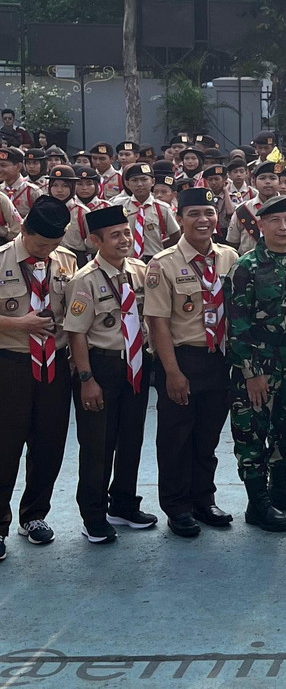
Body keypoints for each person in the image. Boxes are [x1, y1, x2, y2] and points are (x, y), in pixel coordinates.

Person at [144, 188, 240, 537]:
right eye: (194, 214)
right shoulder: (163, 263)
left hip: (218, 360)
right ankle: (177, 506)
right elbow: (158, 322)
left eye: (209, 213)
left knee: (207, 437)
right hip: (181, 358)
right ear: (180, 218)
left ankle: (204, 499)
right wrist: (172, 372)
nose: (203, 220)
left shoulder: (230, 257)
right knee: (175, 437)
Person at [227, 194, 286, 533]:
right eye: (275, 221)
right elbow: (236, 325)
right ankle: (258, 502)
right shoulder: (246, 267)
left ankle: (281, 488)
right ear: (261, 226)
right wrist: (252, 373)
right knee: (252, 433)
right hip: (258, 364)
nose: (284, 227)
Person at [64, 204, 157, 544]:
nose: (124, 240)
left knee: (132, 437)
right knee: (97, 444)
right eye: (115, 235)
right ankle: (94, 514)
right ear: (94, 240)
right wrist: (87, 380)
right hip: (101, 365)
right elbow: (76, 332)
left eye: (127, 233)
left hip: (136, 364)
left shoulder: (139, 269)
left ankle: (123, 504)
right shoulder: (84, 280)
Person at [0, 196, 76, 558]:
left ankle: (34, 515)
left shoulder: (66, 261)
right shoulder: (1, 261)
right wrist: (20, 324)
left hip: (55, 365)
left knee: (50, 442)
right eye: (41, 245)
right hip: (11, 363)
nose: (48, 251)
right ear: (23, 230)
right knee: (5, 445)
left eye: (54, 244)